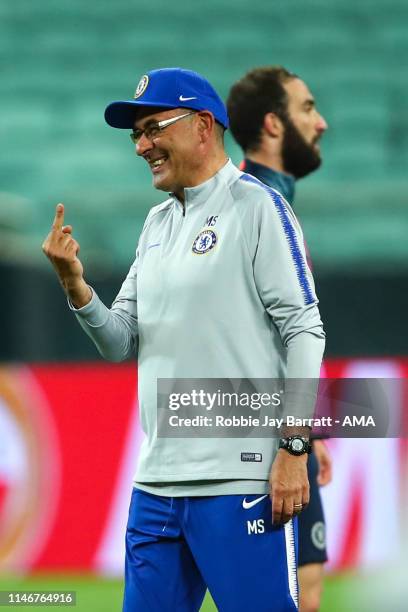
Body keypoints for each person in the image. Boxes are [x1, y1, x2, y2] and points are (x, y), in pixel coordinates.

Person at [42, 67, 325, 612]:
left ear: (202, 125)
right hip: (155, 486)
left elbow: (304, 329)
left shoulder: (257, 208)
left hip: (238, 483)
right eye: (136, 135)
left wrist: (293, 447)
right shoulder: (156, 224)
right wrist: (75, 285)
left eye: (153, 128)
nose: (142, 146)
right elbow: (119, 340)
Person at [227, 66, 332, 612]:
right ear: (273, 123)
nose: (323, 123)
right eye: (307, 108)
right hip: (261, 448)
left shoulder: (272, 202)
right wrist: (291, 443)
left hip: (285, 436)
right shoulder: (250, 207)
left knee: (305, 592)